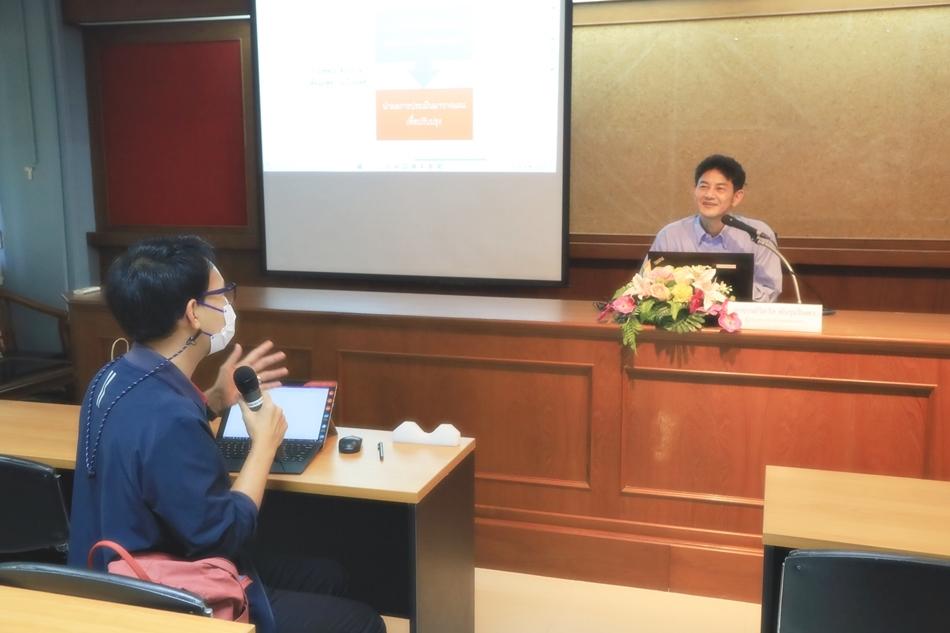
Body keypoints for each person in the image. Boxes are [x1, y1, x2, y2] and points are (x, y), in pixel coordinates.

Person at [68, 235, 385, 633]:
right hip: (169, 599)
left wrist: (213, 400)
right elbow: (225, 536)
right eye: (221, 295)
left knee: (330, 575)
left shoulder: (109, 377)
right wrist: (264, 446)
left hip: (113, 575)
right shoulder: (171, 417)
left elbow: (147, 441)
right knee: (363, 622)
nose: (228, 306)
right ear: (193, 314)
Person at [647, 154, 782, 302]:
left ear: (736, 197)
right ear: (695, 190)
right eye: (703, 186)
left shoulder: (757, 236)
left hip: (740, 315)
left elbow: (770, 290)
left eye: (720, 188)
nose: (709, 195)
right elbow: (647, 285)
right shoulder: (670, 235)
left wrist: (719, 294)